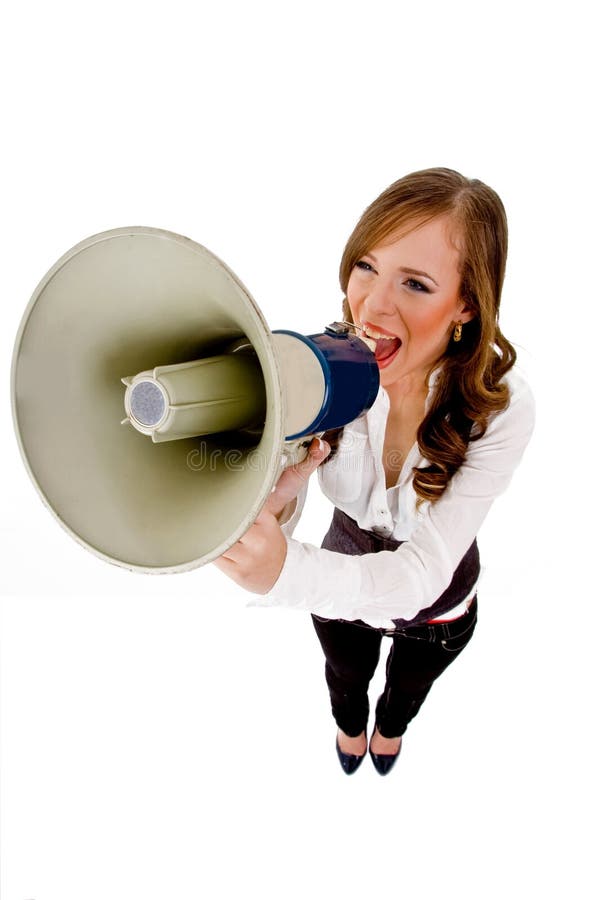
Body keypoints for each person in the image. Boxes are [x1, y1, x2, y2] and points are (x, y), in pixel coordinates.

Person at [214, 167, 535, 775]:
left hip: (437, 607)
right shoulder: (324, 365)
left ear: (467, 303)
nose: (374, 306)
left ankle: (391, 727)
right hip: (340, 576)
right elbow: (287, 490)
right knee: (343, 675)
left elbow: (419, 576)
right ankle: (349, 722)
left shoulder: (504, 408)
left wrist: (285, 572)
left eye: (415, 282)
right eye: (367, 265)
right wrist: (278, 494)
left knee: (408, 692)